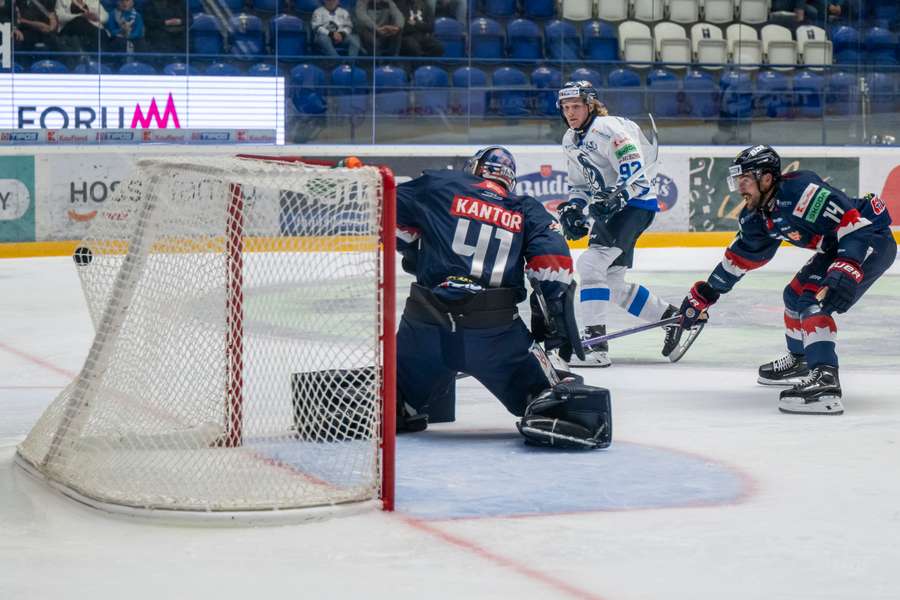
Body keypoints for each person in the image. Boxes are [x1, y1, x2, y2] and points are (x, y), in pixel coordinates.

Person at [395, 146, 612, 449]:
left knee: (390, 399)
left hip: (424, 327)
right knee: (554, 397)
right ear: (509, 180)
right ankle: (541, 406)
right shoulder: (527, 209)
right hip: (495, 336)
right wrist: (553, 330)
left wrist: (412, 252)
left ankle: (404, 404)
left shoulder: (440, 184)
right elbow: (554, 268)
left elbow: (391, 215)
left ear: (475, 169)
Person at [670, 145, 895, 415]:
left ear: (766, 178)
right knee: (794, 295)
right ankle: (802, 360)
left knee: (813, 301)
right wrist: (706, 294)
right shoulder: (758, 216)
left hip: (869, 240)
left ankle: (825, 380)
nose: (739, 187)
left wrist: (847, 267)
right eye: (737, 179)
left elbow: (854, 224)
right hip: (837, 246)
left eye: (745, 179)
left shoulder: (802, 193)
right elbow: (741, 258)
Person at [554, 80, 677, 368]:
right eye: (566, 107)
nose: (570, 113)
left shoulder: (609, 130)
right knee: (611, 281)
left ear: (590, 105)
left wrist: (613, 198)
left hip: (635, 204)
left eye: (576, 106)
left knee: (590, 265)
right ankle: (673, 318)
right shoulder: (569, 140)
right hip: (615, 209)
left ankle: (595, 347)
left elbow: (636, 175)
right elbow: (580, 186)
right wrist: (575, 207)